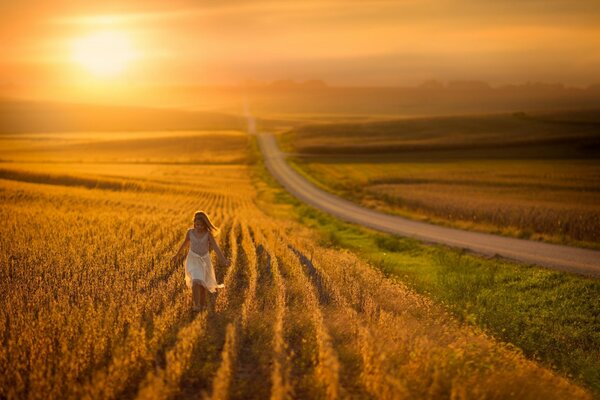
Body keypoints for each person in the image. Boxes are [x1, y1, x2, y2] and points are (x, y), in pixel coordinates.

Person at [171, 211, 229, 311]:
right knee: (195, 281)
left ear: (205, 225)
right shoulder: (190, 232)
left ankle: (202, 305)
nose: (199, 227)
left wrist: (223, 260)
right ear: (194, 223)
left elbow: (216, 248)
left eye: (201, 225)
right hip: (192, 260)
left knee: (202, 285)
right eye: (197, 224)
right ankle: (196, 305)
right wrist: (176, 255)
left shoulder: (208, 234)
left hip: (204, 261)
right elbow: (184, 244)